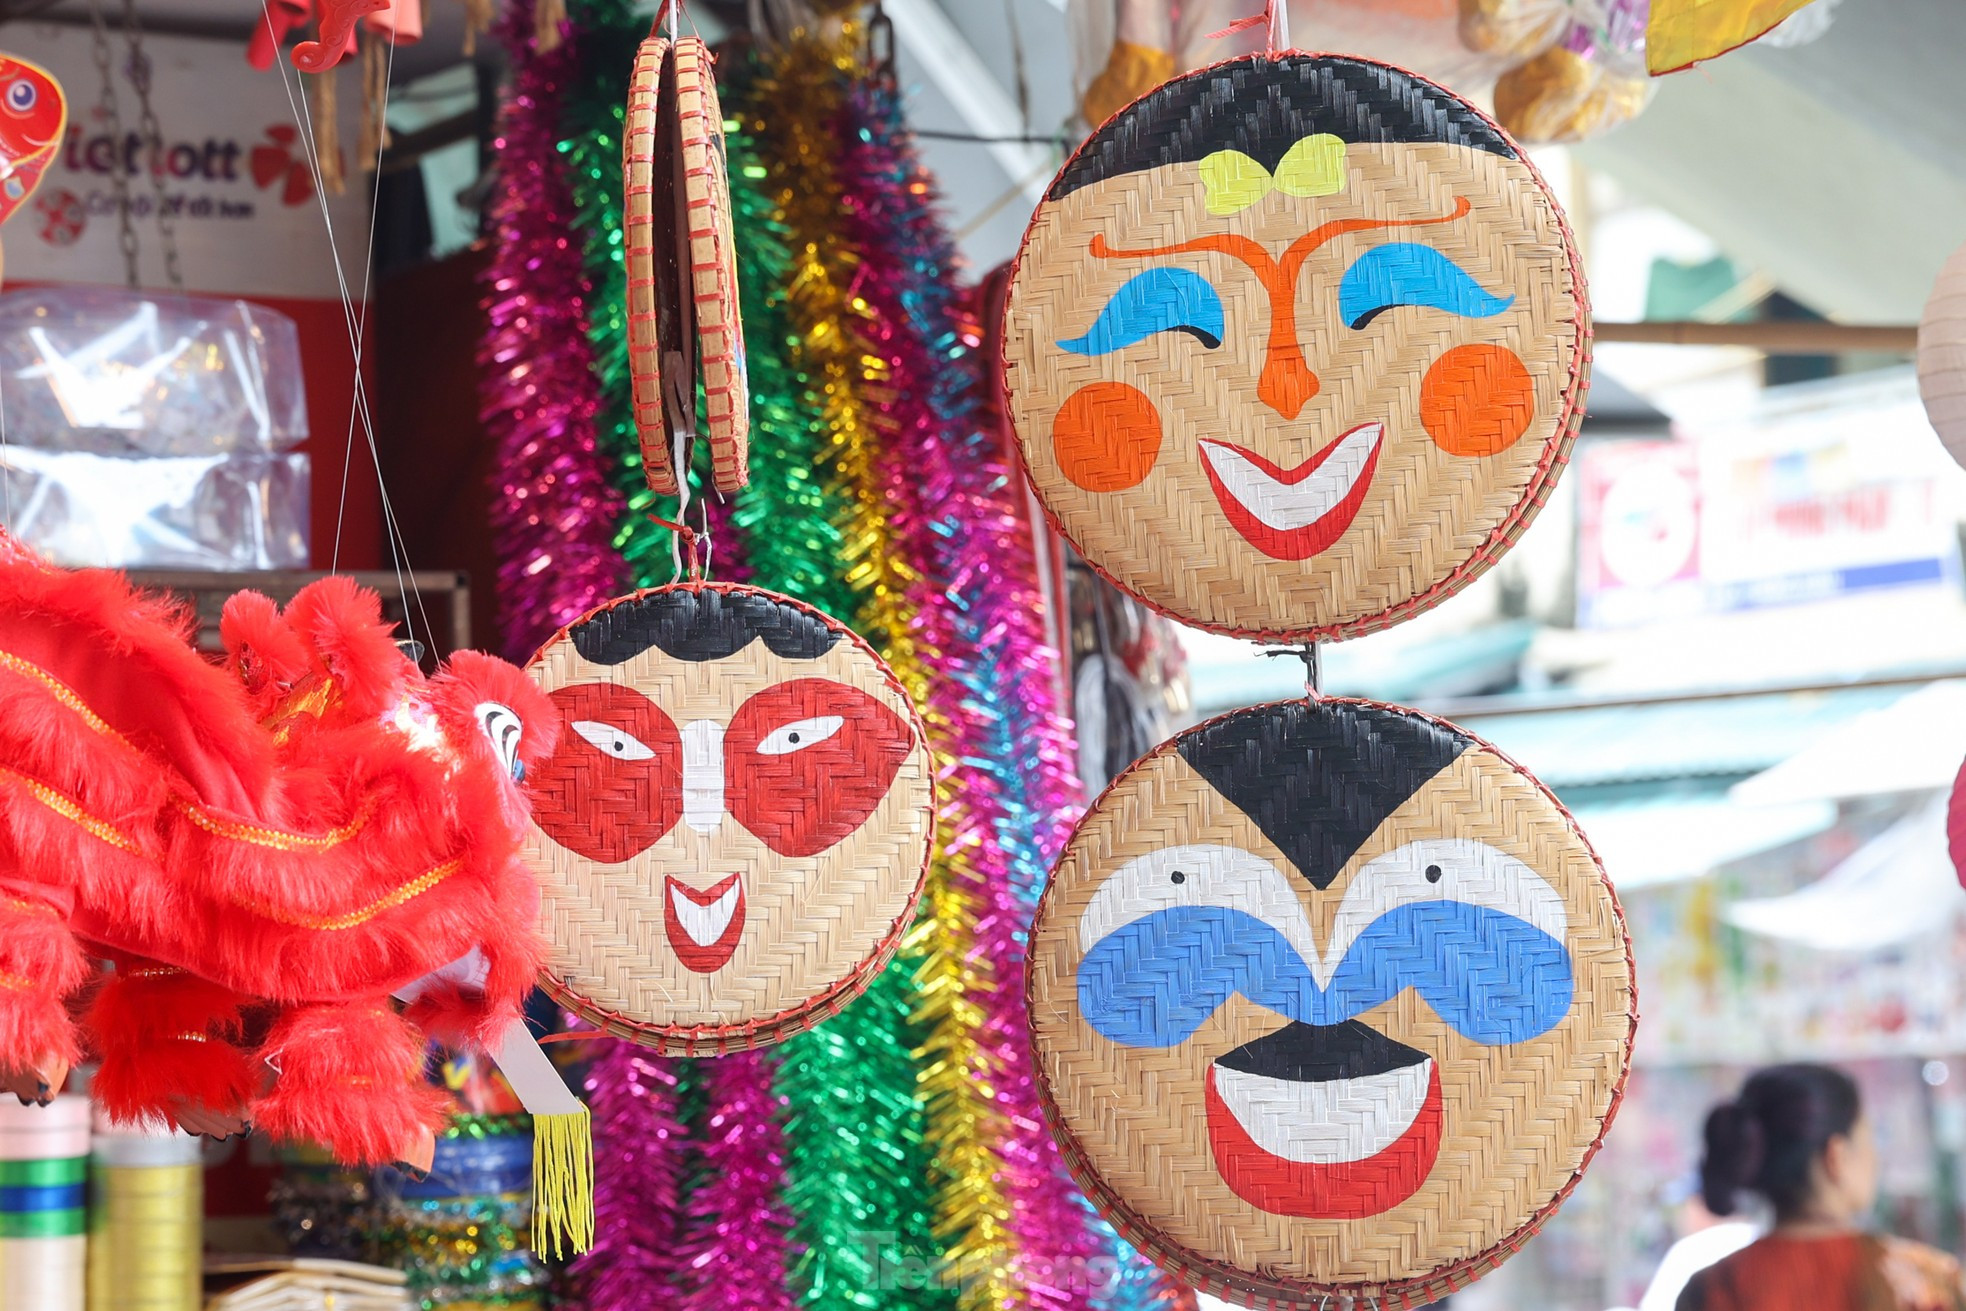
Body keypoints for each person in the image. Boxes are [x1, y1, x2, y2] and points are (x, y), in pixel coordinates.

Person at [1677, 1063, 1966, 1311]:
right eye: (1868, 1139)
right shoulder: (1926, 1282)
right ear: (1836, 1157)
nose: (1876, 1158)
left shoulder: (1713, 1289)